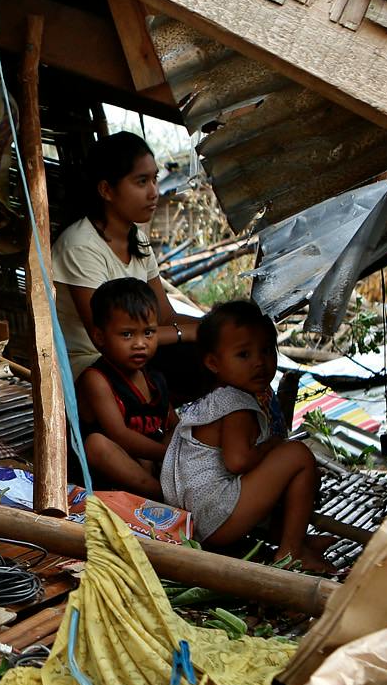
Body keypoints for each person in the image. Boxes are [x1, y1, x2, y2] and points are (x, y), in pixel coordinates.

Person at [160, 300, 335, 571]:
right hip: (214, 517)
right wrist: (274, 446)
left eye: (266, 351)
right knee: (298, 456)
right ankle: (291, 551)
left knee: (280, 469)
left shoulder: (214, 399)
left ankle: (295, 537)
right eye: (244, 355)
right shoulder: (236, 405)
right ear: (213, 362)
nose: (260, 363)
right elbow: (238, 461)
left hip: (192, 518)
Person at [52, 132, 200, 385]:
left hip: (135, 355)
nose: (154, 192)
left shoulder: (137, 240)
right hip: (94, 371)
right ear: (106, 190)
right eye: (141, 182)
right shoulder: (79, 246)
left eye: (154, 179)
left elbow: (164, 315)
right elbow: (111, 340)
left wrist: (216, 328)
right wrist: (183, 332)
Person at [76, 278, 175, 497]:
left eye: (148, 332)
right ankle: (160, 494)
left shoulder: (155, 380)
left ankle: (164, 487)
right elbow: (119, 435)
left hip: (148, 463)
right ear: (100, 337)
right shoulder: (96, 379)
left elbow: (172, 424)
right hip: (105, 475)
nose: (140, 343)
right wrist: (170, 453)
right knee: (97, 444)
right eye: (127, 334)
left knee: (170, 439)